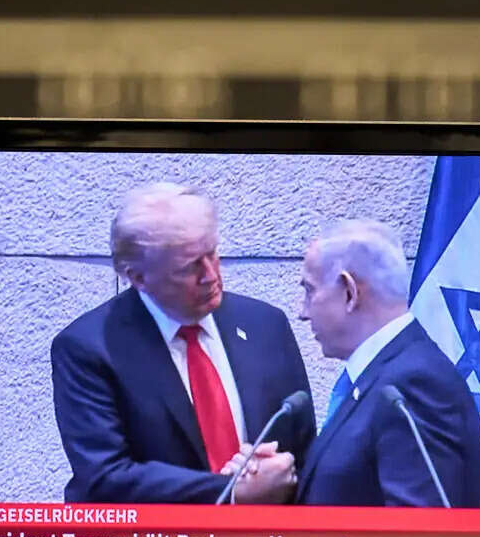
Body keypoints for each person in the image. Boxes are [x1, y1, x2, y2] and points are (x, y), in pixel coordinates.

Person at [50, 183, 313, 507]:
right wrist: (229, 490)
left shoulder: (265, 324)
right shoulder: (88, 348)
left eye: (213, 253)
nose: (210, 275)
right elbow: (106, 477)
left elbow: (302, 447)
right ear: (138, 276)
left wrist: (280, 470)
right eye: (189, 267)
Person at [283, 219, 480, 507]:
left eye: (310, 291)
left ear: (349, 292)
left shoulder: (415, 386)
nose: (302, 312)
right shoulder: (383, 376)